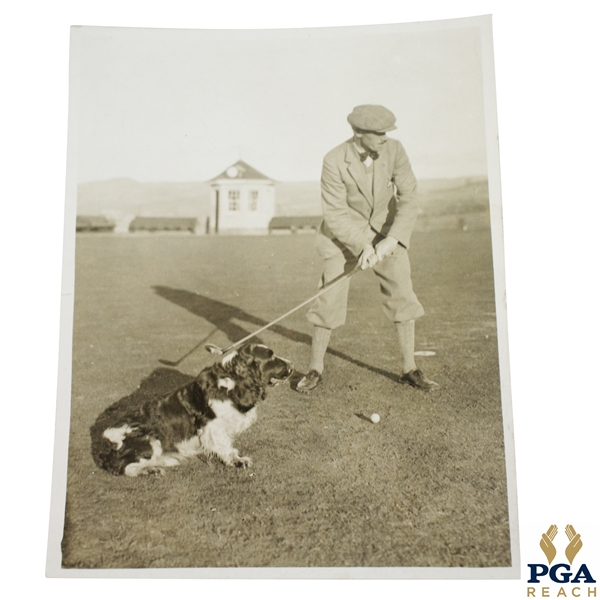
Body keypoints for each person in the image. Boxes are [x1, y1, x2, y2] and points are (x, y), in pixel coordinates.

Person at [296, 104, 438, 393]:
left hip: (386, 233)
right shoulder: (333, 160)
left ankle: (409, 369)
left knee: (403, 294)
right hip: (342, 237)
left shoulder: (395, 150)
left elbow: (409, 197)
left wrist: (392, 239)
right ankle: (315, 369)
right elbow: (335, 214)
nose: (385, 137)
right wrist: (362, 245)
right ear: (358, 133)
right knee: (329, 300)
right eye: (378, 133)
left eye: (386, 132)